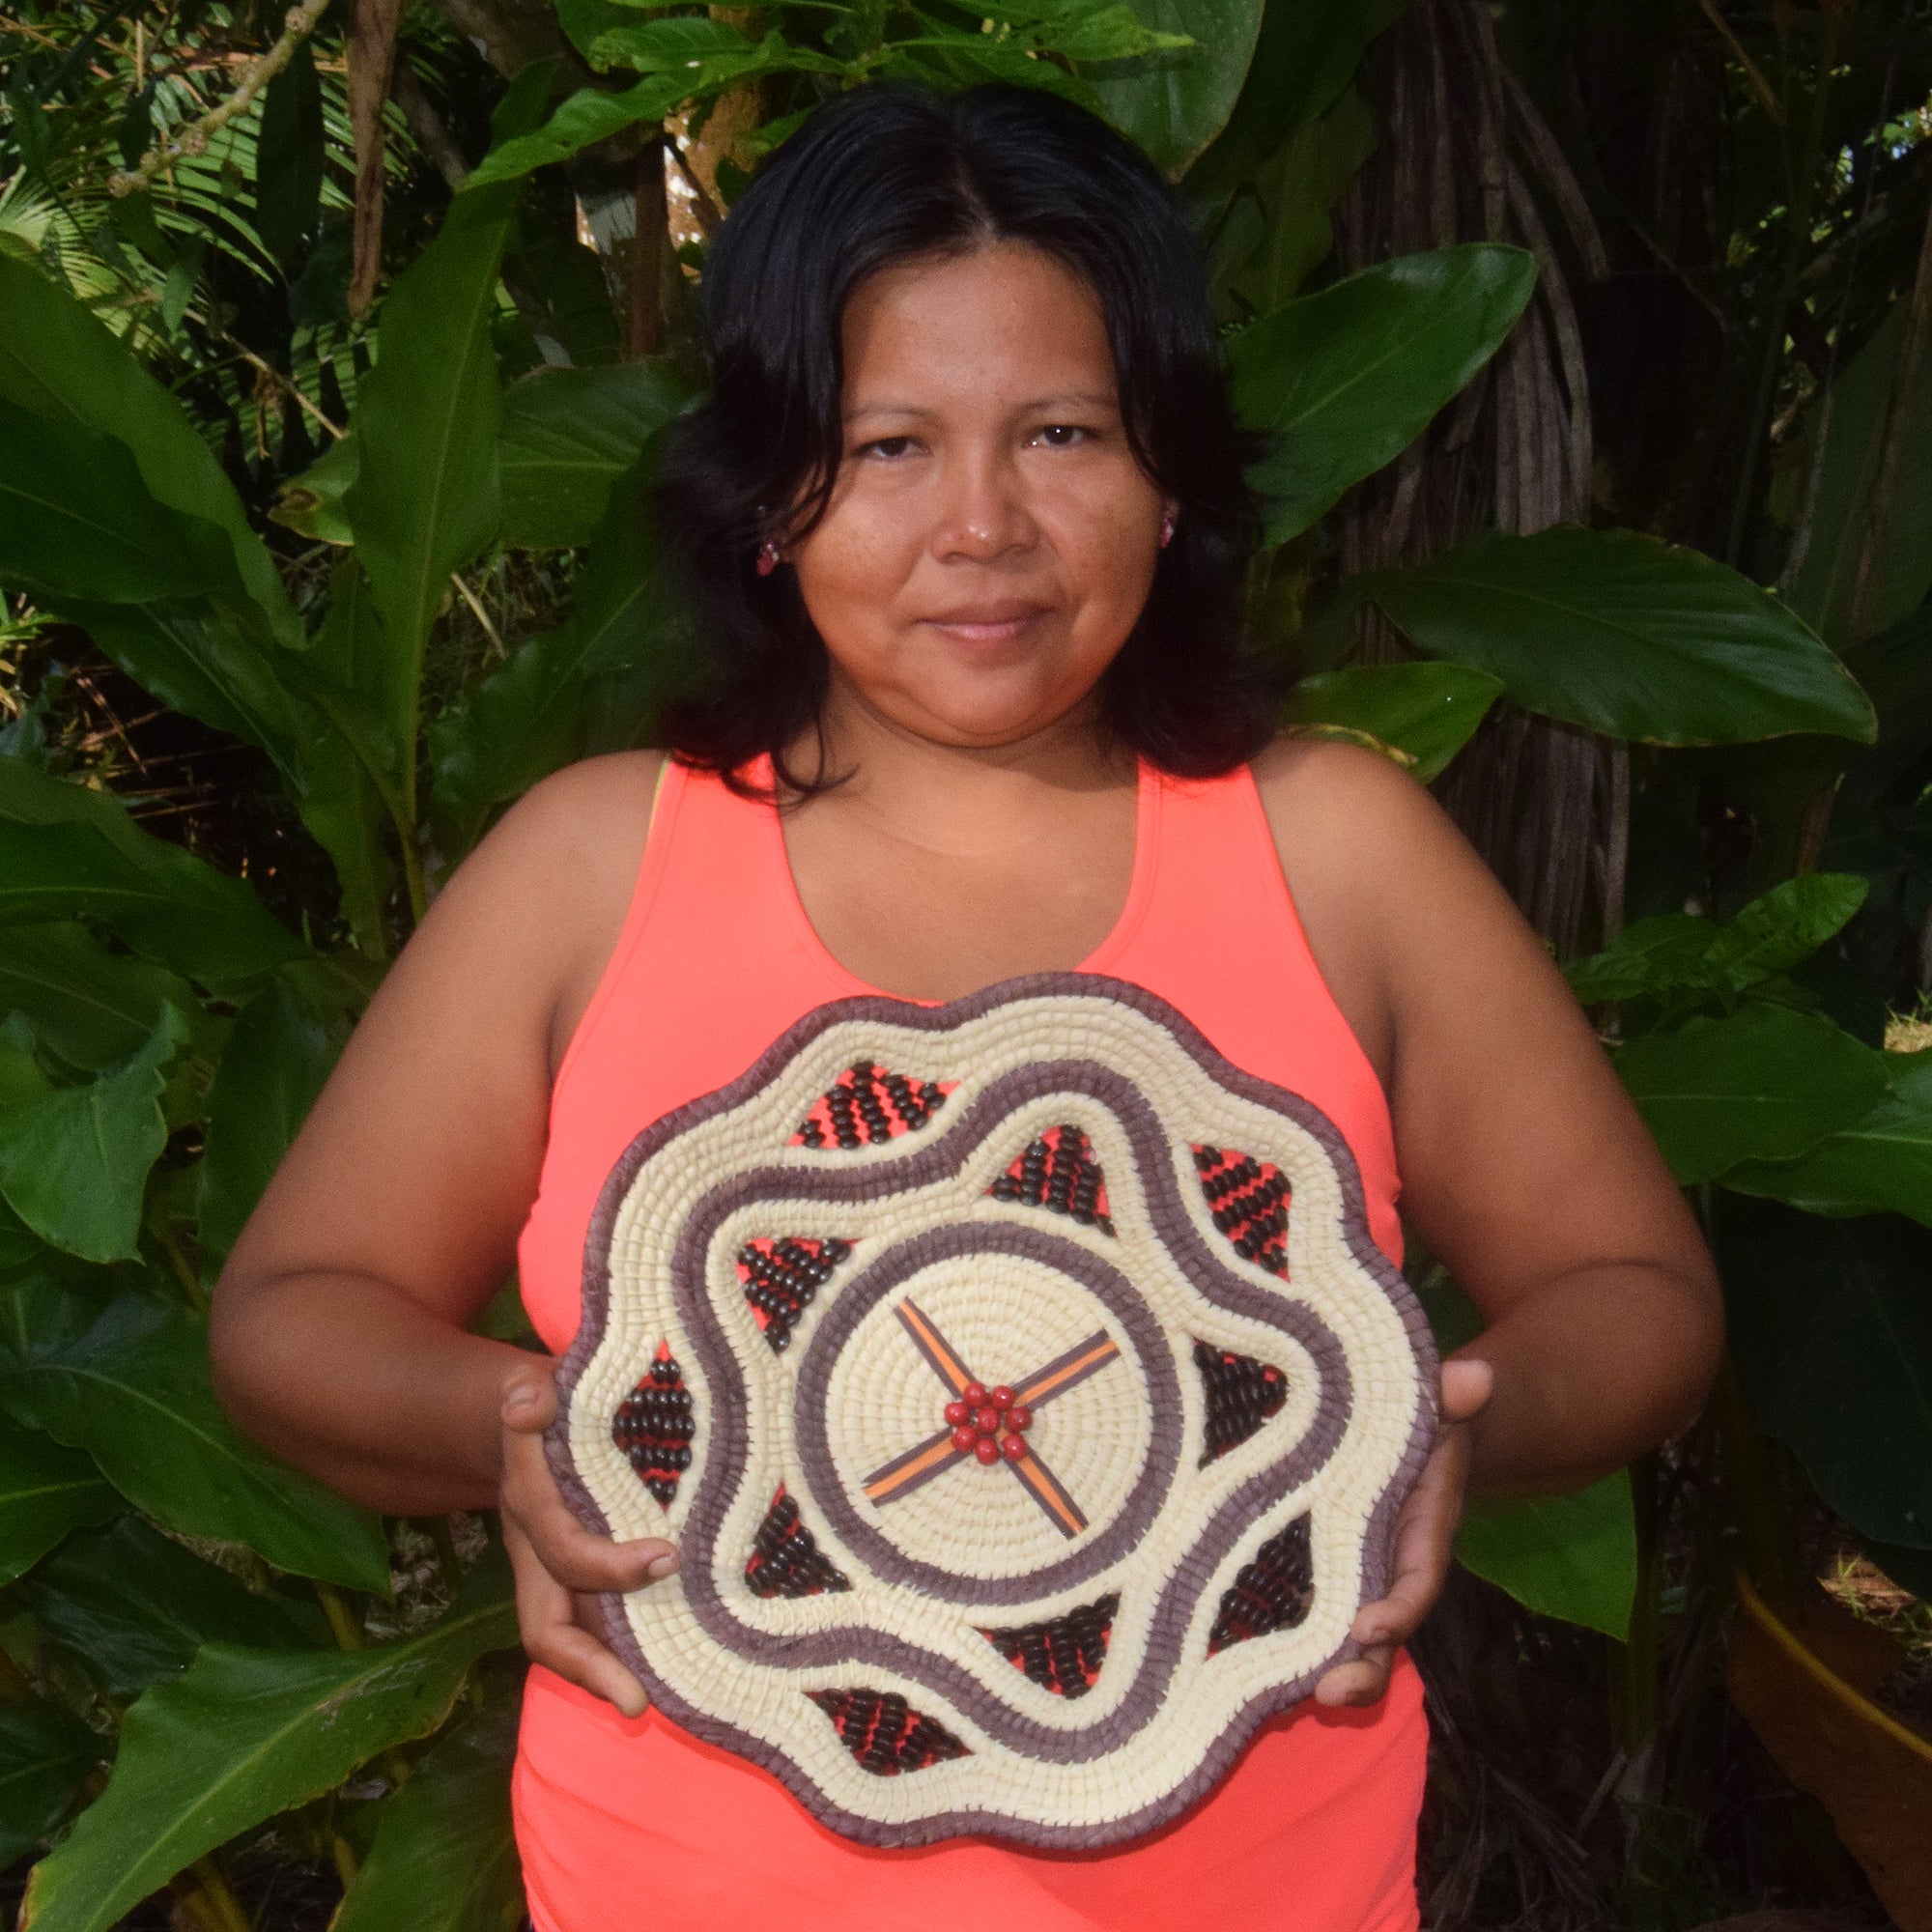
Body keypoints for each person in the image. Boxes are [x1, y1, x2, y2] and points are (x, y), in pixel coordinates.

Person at [210, 81, 1723, 1932]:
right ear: (766, 490)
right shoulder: (593, 870)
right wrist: (537, 1421)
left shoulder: (1338, 853)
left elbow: (1640, 1295)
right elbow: (294, 1315)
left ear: (1171, 471)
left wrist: (1448, 1416)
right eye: (887, 445)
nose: (983, 525)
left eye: (1064, 431)